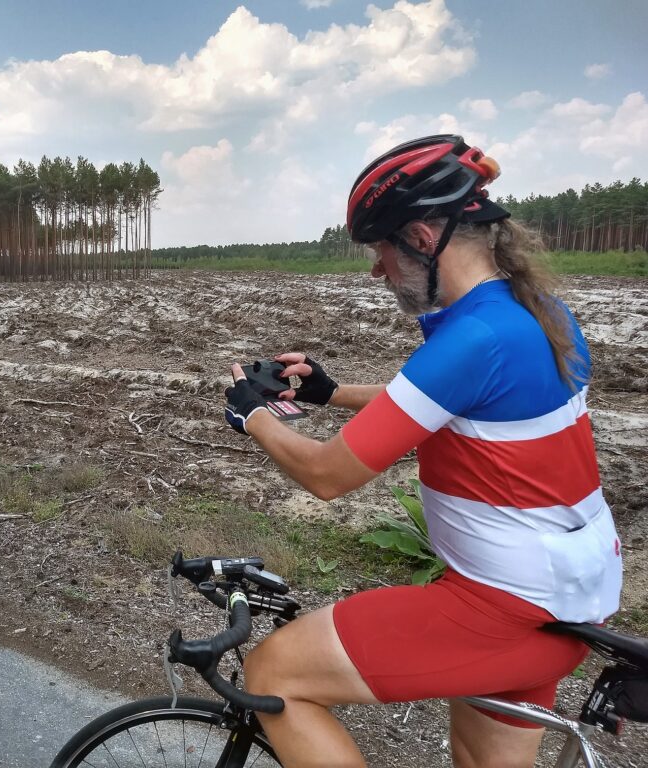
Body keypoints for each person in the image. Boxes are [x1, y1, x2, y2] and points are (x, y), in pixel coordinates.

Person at [222, 134, 623, 768]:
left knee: (272, 674)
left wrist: (255, 418)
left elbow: (328, 476)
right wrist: (329, 393)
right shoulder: (535, 312)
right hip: (569, 597)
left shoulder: (472, 338)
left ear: (420, 237)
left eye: (380, 249)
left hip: (501, 606)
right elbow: (447, 402)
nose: (376, 270)